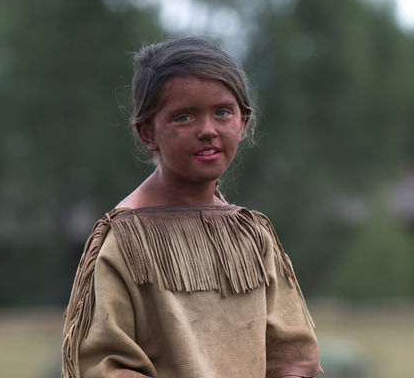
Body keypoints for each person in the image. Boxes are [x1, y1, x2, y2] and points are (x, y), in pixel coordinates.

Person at [61, 37, 322, 378]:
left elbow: (292, 356)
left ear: (243, 122)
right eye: (183, 117)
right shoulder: (125, 243)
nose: (208, 130)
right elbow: (103, 365)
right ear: (148, 133)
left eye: (223, 112)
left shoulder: (253, 236)